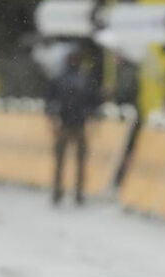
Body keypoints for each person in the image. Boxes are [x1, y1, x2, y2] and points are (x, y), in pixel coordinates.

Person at [45, 50, 100, 206]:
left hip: (74, 124)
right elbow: (50, 101)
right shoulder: (76, 79)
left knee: (71, 161)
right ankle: (66, 191)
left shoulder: (75, 79)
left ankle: (73, 192)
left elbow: (93, 102)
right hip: (68, 123)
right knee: (67, 161)